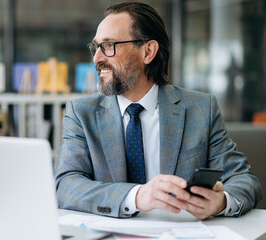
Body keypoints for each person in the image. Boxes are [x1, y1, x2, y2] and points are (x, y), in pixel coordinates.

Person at [55, 1, 262, 219]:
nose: (97, 58)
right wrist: (137, 196)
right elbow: (66, 186)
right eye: (95, 47)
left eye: (108, 46)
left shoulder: (201, 109)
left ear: (148, 51)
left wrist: (221, 202)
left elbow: (245, 180)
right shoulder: (81, 113)